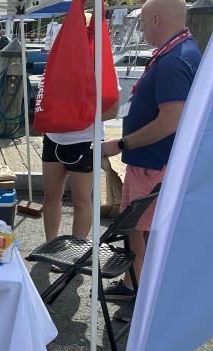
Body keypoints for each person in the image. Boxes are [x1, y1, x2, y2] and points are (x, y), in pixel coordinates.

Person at [101, 0, 201, 300]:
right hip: (156, 163)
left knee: (143, 230)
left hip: (153, 165)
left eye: (143, 23)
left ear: (156, 18)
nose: (142, 30)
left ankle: (141, 292)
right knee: (140, 230)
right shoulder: (184, 51)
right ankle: (138, 286)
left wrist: (121, 144)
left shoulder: (173, 61)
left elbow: (170, 120)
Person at [41, 14, 121, 246]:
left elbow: (112, 110)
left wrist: (76, 120)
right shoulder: (60, 61)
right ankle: (51, 245)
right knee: (51, 196)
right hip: (53, 138)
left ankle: (75, 251)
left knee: (81, 200)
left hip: (84, 141)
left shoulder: (102, 64)